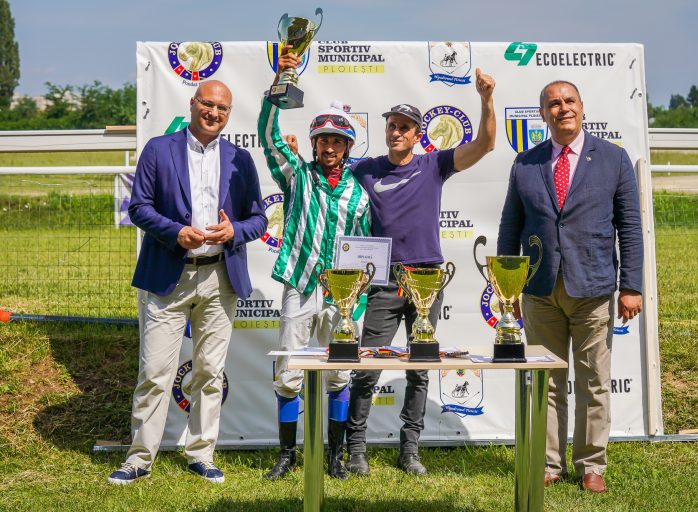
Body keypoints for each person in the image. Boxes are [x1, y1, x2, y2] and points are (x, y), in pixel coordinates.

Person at [108, 80, 268, 485]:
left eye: (222, 108)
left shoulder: (240, 158)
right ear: (193, 104)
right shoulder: (159, 149)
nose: (214, 113)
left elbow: (259, 218)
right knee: (155, 372)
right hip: (168, 275)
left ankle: (201, 453)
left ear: (229, 114)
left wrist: (235, 231)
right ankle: (139, 458)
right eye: (207, 104)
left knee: (210, 371)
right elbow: (139, 207)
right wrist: (176, 232)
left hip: (220, 276)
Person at [346, 68, 496, 476]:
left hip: (427, 279)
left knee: (419, 367)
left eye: (404, 127)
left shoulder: (434, 164)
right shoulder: (365, 170)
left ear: (417, 135)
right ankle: (355, 449)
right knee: (367, 366)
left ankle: (409, 450)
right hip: (384, 280)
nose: (396, 132)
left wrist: (486, 100)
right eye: (391, 126)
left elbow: (485, 144)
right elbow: (326, 179)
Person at [497, 80, 643, 493]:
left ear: (582, 106)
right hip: (539, 289)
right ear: (542, 114)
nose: (562, 108)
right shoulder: (525, 163)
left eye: (569, 101)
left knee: (594, 380)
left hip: (593, 287)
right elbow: (510, 226)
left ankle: (591, 464)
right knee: (546, 381)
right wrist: (508, 289)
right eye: (553, 103)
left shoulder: (613, 158)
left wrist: (631, 285)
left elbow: (630, 228)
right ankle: (548, 463)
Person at [258, 48, 370, 481]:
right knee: (289, 372)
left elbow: (366, 251)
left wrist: (358, 300)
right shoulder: (296, 175)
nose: (329, 146)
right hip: (301, 284)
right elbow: (268, 136)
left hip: (344, 299)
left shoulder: (360, 193)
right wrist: (280, 82)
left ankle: (335, 456)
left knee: (339, 375)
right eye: (322, 140)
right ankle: (287, 454)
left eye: (337, 141)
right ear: (313, 144)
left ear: (347, 146)